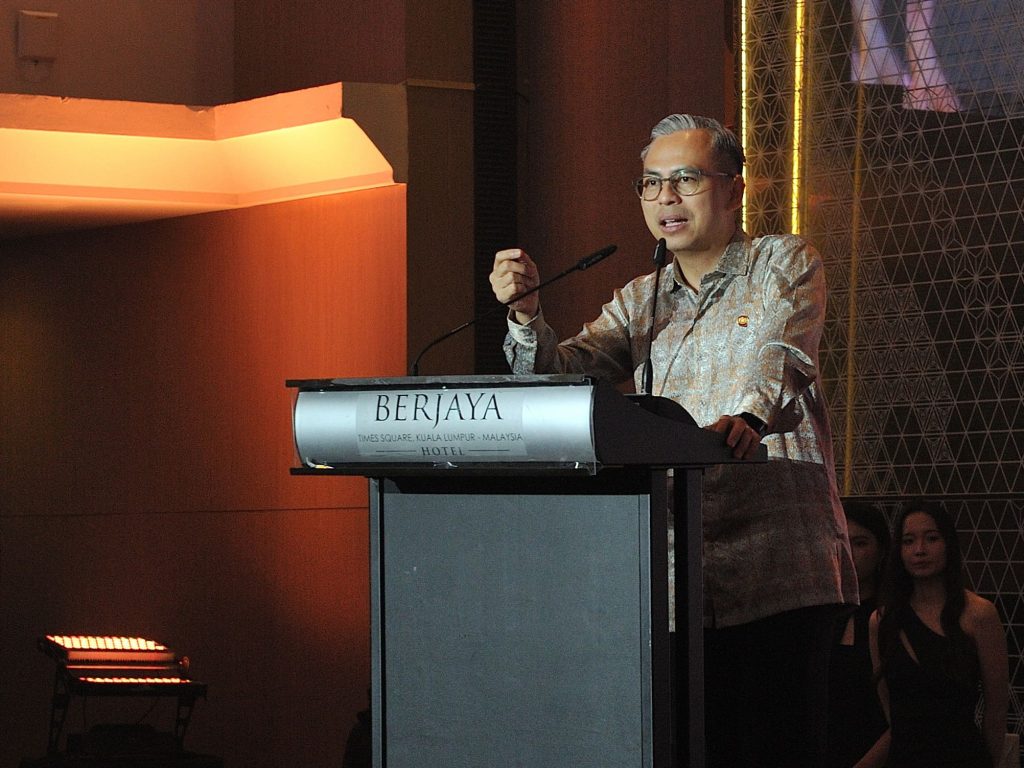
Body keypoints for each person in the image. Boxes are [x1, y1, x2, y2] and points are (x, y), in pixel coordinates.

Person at [489, 113, 858, 767]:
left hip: (779, 572)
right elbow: (561, 375)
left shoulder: (782, 262)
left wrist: (748, 416)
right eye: (651, 184)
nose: (666, 197)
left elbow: (783, 354)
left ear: (734, 189)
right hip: (674, 581)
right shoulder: (642, 299)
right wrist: (525, 315)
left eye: (686, 179)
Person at [867, 500, 1008, 768]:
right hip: (905, 758)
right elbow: (890, 709)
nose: (919, 550)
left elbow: (997, 709)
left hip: (962, 757)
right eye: (908, 541)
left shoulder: (979, 615)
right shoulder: (881, 621)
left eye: (931, 538)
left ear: (948, 544)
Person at [827, 501, 891, 767]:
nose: (849, 553)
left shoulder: (891, 617)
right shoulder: (822, 616)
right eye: (842, 541)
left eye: (860, 543)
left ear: (881, 551)